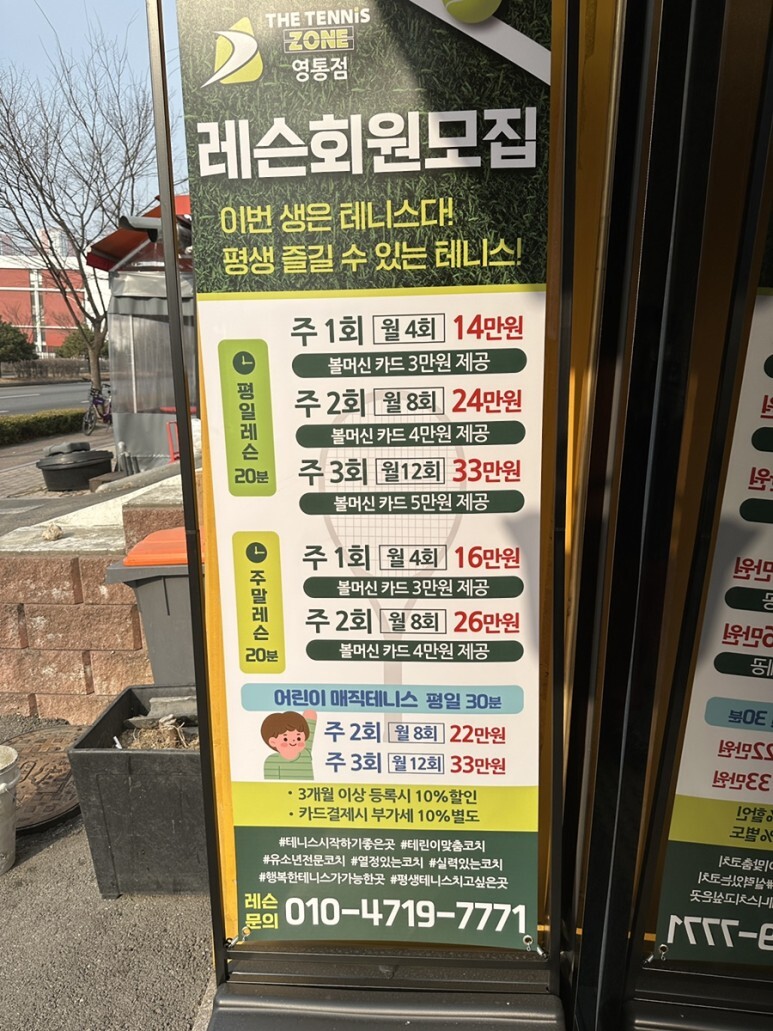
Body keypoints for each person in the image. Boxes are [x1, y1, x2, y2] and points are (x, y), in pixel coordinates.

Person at [261, 709, 317, 780]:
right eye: (285, 739)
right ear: (273, 742)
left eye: (298, 738)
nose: (293, 741)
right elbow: (271, 784)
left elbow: (310, 716)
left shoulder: (305, 753)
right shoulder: (272, 761)